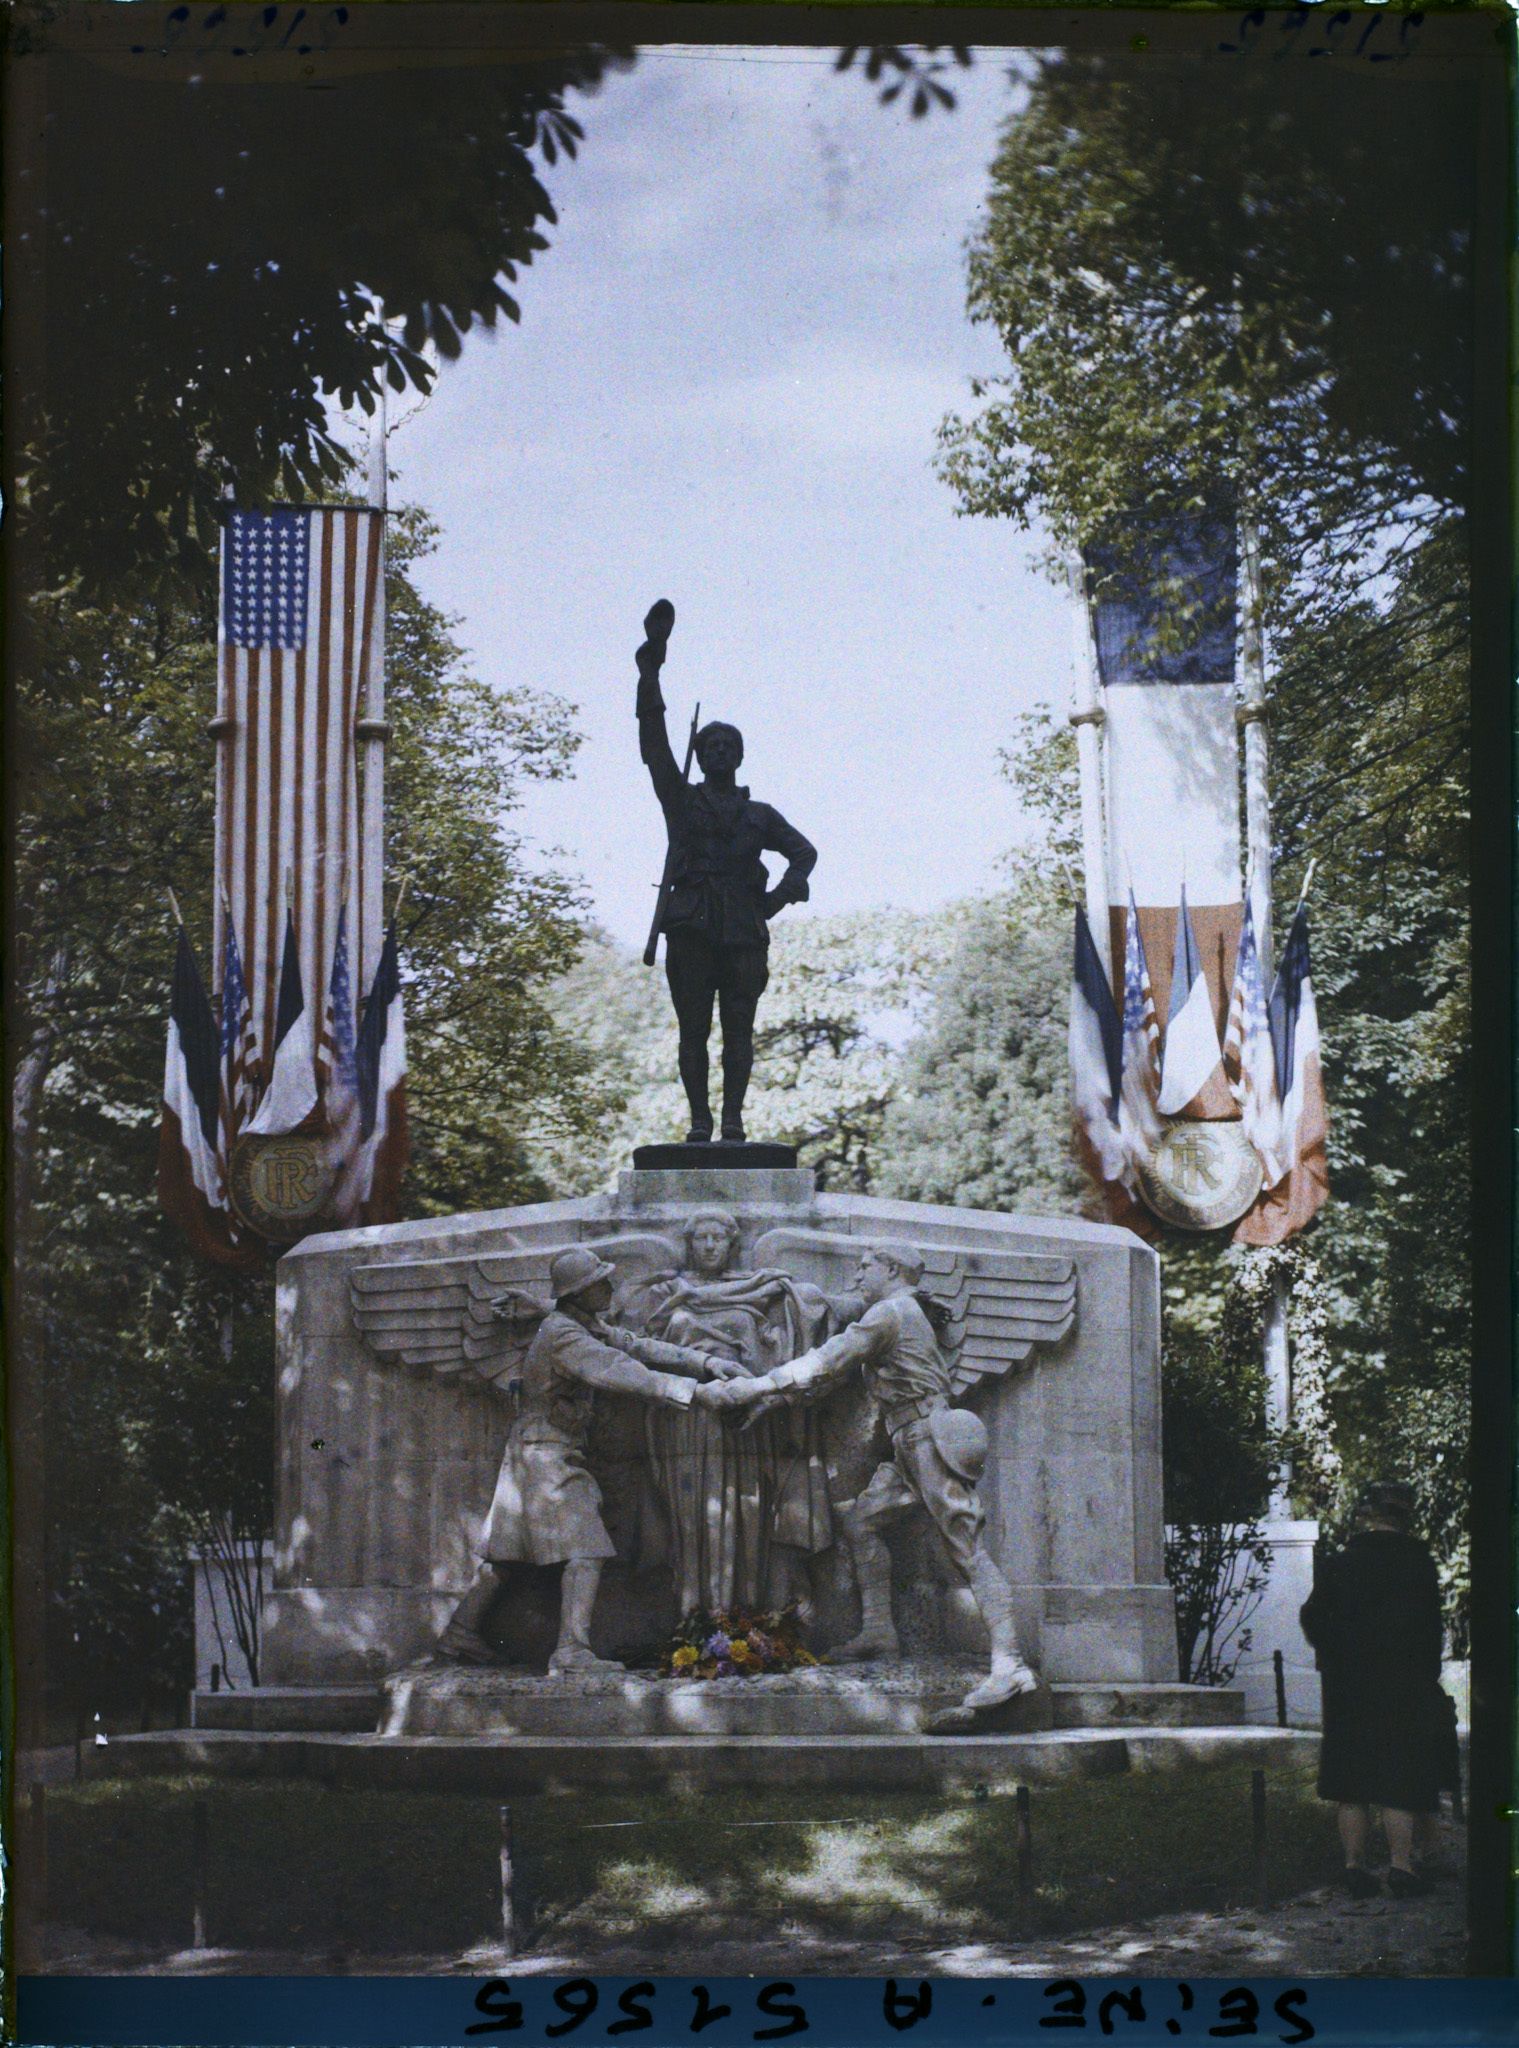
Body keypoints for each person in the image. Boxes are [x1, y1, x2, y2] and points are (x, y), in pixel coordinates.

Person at [699, 1241, 1040, 1714]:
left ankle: (1010, 1664)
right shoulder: (896, 1315)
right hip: (907, 1442)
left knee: (965, 1550)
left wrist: (755, 1384)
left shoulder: (891, 1312)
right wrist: (771, 1402)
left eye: (866, 1266)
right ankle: (879, 1630)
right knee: (861, 1522)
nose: (858, 1275)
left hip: (928, 1438)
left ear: (892, 1268)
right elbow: (836, 1379)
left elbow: (830, 1359)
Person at [436, 1246, 726, 1675]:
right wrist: (694, 1392)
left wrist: (706, 1362)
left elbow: (635, 1345)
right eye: (600, 1282)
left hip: (538, 1452)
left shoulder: (580, 1325)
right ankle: (571, 1651)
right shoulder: (565, 1336)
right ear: (579, 1293)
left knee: (506, 1556)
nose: (609, 1287)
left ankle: (461, 1632)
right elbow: (619, 1369)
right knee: (586, 1548)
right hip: (545, 1456)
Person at [636, 606, 817, 1142]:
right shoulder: (680, 800)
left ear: (739, 755)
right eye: (710, 745)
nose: (718, 750)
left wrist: (777, 899)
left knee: (739, 1028)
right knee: (693, 1030)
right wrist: (650, 673)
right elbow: (653, 747)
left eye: (728, 745)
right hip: (691, 923)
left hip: (743, 928)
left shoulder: (759, 814)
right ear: (700, 753)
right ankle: (699, 1122)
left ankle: (733, 1120)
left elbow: (804, 853)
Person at [633, 1207, 836, 1616]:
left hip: (746, 1419)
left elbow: (820, 1315)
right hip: (688, 1415)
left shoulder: (760, 1287)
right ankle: (693, 1620)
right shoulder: (665, 1292)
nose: (709, 1246)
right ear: (688, 1244)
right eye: (700, 1238)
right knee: (692, 1519)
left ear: (731, 1244)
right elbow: (633, 1346)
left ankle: (743, 1622)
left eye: (718, 1238)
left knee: (745, 1514)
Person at [1299, 1480, 1446, 1897]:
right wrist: (1425, 1672)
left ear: (1368, 1518)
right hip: (1403, 1683)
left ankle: (1353, 1866)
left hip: (1348, 1686)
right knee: (1399, 1777)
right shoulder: (1419, 1563)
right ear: (1403, 1518)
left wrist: (1333, 1655)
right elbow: (1431, 1628)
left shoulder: (1339, 1562)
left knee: (1351, 1782)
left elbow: (1311, 1615)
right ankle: (1401, 1866)